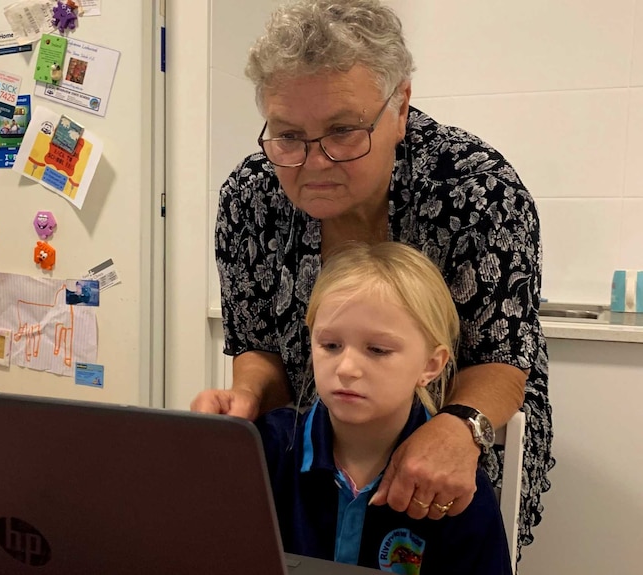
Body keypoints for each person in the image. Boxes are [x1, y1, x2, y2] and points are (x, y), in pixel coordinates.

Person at [190, 0, 553, 558]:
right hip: (310, 468)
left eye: (343, 130)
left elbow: (503, 358)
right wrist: (244, 404)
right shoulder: (250, 198)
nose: (313, 162)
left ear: (400, 104)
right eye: (288, 135)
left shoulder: (475, 189)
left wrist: (458, 430)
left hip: (444, 464)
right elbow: (257, 347)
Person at [256, 241, 512, 573]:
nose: (346, 368)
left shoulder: (451, 483)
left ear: (430, 366)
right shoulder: (268, 449)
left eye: (377, 350)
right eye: (330, 345)